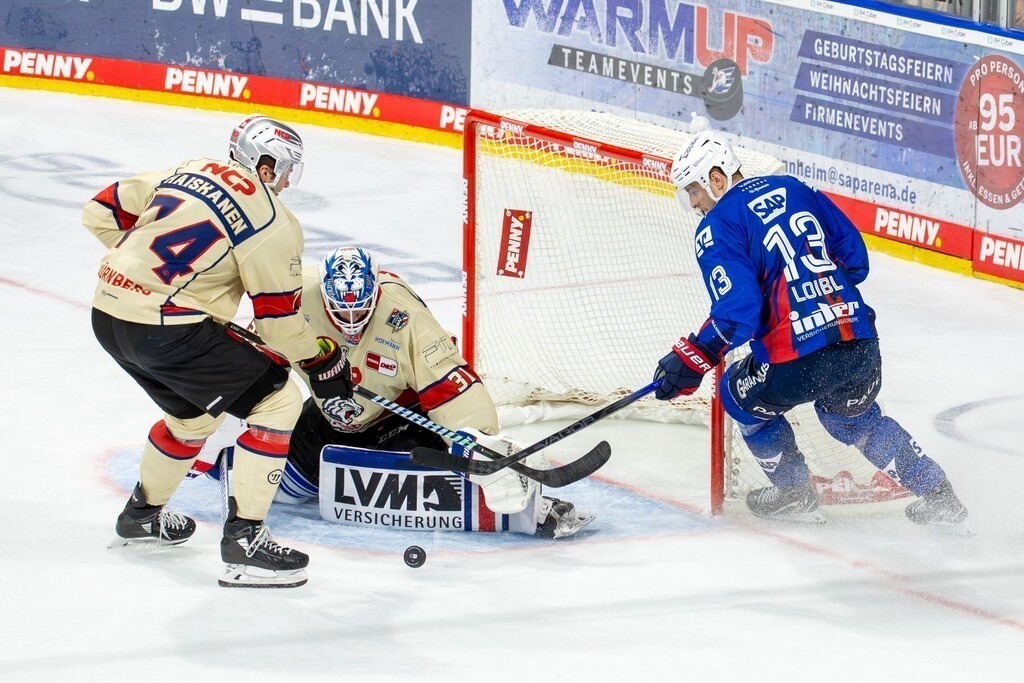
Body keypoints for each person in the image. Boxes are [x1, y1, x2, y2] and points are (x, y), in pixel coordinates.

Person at [84, 114, 352, 587]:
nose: (289, 180)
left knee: (193, 418)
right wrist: (322, 358)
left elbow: (100, 212)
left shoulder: (188, 169)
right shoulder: (273, 219)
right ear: (265, 166)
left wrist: (145, 272)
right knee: (279, 399)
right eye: (288, 168)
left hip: (108, 316)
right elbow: (280, 328)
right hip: (167, 329)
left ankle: (142, 515)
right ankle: (245, 543)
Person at [652, 131, 969, 531]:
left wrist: (692, 357)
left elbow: (739, 313)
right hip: (859, 343)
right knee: (850, 420)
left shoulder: (716, 226)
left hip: (797, 361)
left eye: (693, 191)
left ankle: (794, 492)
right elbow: (855, 261)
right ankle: (939, 495)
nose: (694, 203)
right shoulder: (794, 187)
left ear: (716, 178)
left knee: (736, 395)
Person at [196, 246, 592, 538]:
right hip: (328, 418)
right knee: (278, 491)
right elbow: (260, 355)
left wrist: (480, 443)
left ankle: (529, 506)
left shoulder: (406, 317)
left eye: (360, 310)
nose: (350, 322)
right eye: (341, 312)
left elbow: (453, 386)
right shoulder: (299, 297)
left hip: (399, 421)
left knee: (438, 486)